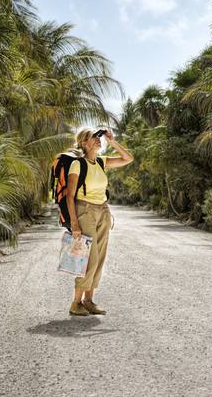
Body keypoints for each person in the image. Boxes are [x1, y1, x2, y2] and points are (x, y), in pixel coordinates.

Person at [65, 128, 133, 316]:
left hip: (103, 211)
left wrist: (113, 142)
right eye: (93, 138)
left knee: (100, 258)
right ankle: (75, 303)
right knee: (89, 259)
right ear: (84, 143)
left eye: (98, 137)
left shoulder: (101, 162)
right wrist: (75, 224)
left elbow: (128, 158)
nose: (97, 140)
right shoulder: (77, 165)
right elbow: (69, 196)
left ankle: (89, 301)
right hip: (85, 211)